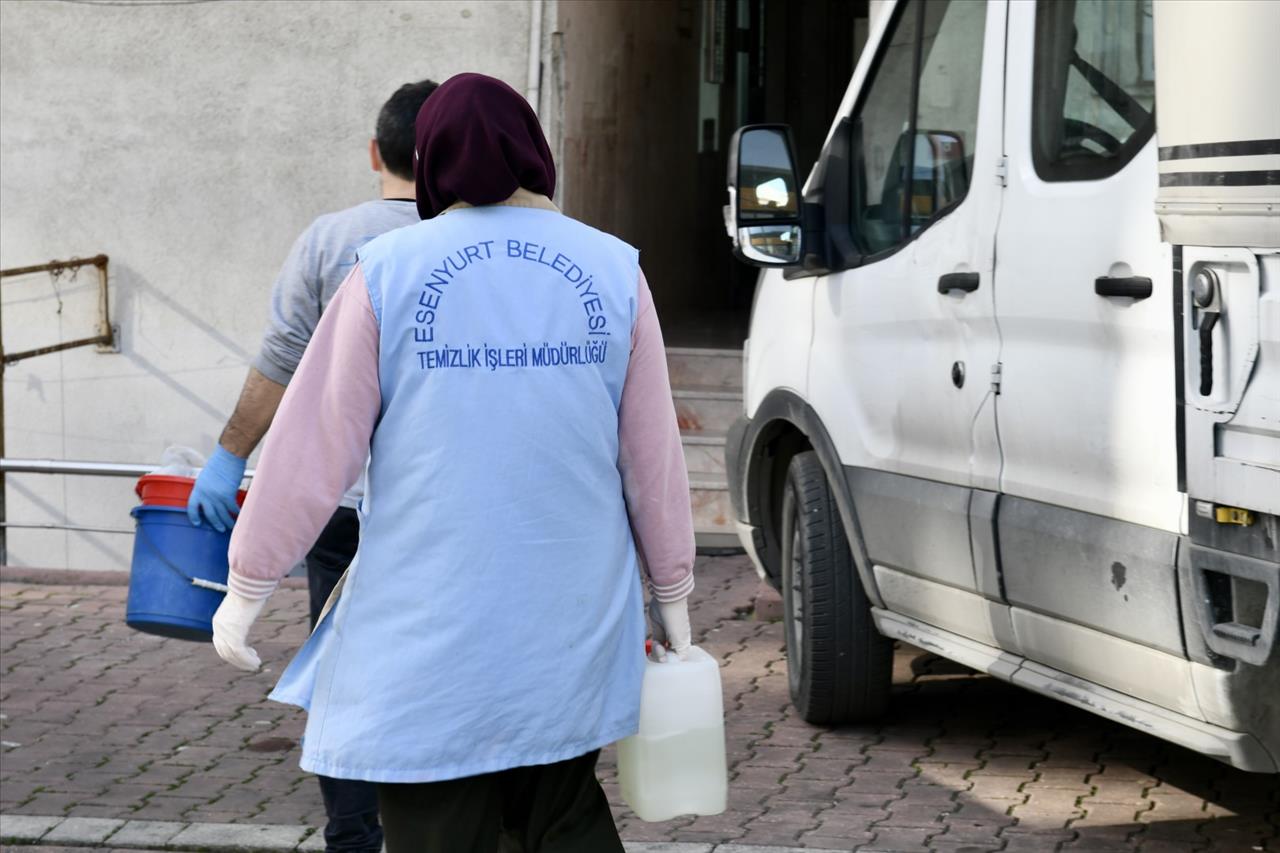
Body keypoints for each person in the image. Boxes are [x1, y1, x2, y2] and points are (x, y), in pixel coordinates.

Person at [208, 72, 697, 852]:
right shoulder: (613, 270)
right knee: (561, 806)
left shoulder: (386, 272)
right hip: (569, 620)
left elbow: (312, 447)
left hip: (433, 628)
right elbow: (653, 458)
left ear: (429, 161)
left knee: (437, 819)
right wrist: (672, 588)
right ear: (535, 154)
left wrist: (248, 582)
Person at [188, 78, 439, 853]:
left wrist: (230, 454)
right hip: (436, 503)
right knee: (441, 660)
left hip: (339, 502)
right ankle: (442, 818)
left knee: (343, 663)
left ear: (376, 152)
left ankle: (354, 831)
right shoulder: (471, 243)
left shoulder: (331, 240)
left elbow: (279, 360)